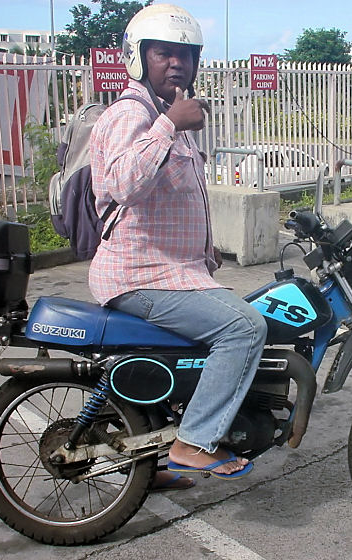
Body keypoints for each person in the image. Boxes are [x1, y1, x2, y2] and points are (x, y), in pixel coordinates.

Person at [89, 3, 268, 480]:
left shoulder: (168, 115)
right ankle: (193, 444)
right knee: (244, 329)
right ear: (138, 58)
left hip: (172, 272)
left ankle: (150, 460)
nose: (176, 64)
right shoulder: (131, 114)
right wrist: (169, 125)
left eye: (185, 56)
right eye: (163, 54)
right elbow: (123, 183)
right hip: (139, 275)